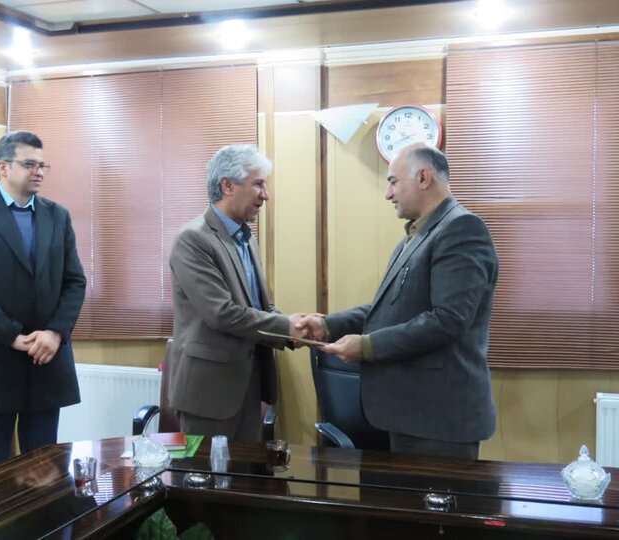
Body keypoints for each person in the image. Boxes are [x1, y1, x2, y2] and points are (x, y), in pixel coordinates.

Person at [300, 142, 498, 460]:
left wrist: (367, 346)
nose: (388, 194)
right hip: (406, 415)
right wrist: (328, 325)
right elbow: (388, 310)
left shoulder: (461, 229)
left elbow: (448, 320)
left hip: (437, 420)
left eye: (393, 182)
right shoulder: (416, 236)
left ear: (423, 178)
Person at [0, 131, 86, 472]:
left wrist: (55, 333)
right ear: (3, 167)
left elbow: (74, 282)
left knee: (45, 472)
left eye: (42, 165)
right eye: (29, 164)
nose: (39, 171)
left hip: (46, 360)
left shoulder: (58, 216)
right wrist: (12, 335)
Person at [168, 144, 307, 441]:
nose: (265, 195)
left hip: (249, 385)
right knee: (209, 471)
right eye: (258, 184)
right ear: (228, 186)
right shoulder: (193, 239)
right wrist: (286, 326)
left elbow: (259, 306)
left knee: (245, 469)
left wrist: (296, 328)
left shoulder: (246, 239)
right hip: (209, 393)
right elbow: (222, 313)